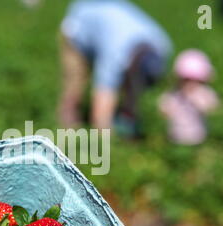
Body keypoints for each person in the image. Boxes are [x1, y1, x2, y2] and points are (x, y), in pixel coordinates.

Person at [57, 0, 172, 137]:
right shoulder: (115, 53)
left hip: (108, 24)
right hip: (78, 26)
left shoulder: (162, 45)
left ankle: (125, 118)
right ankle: (68, 129)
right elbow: (102, 103)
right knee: (75, 84)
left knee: (127, 89)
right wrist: (107, 140)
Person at [158, 49, 219, 145]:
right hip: (175, 137)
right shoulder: (174, 94)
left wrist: (197, 101)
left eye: (194, 80)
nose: (190, 84)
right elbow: (164, 109)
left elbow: (212, 108)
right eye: (186, 80)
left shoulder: (204, 93)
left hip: (199, 138)